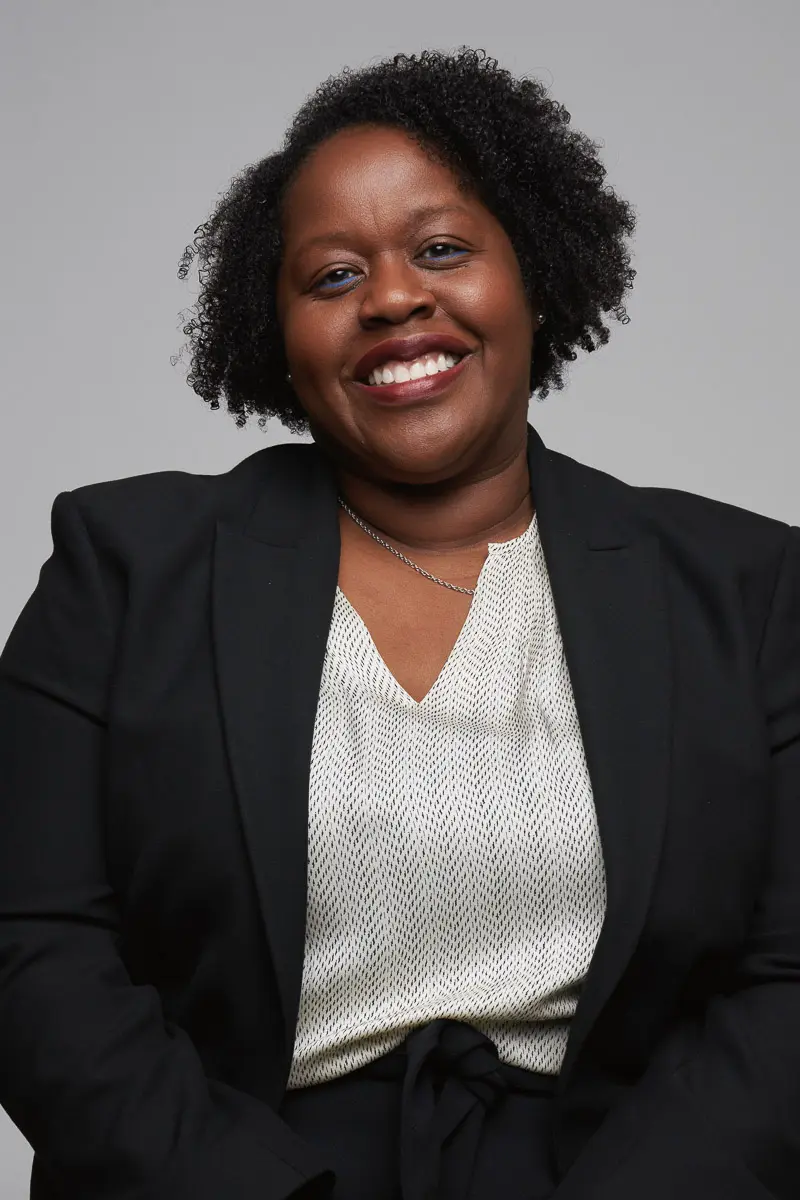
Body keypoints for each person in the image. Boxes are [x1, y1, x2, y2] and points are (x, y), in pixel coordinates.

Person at [0, 44, 797, 1200]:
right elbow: (33, 953)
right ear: (276, 333)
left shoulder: (744, 587)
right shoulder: (122, 570)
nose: (388, 298)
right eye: (330, 277)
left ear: (531, 273)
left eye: (439, 250)